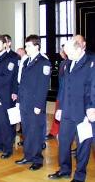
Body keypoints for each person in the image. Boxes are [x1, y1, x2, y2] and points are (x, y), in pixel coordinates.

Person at [48, 37, 93, 182]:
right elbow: (63, 87)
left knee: (83, 146)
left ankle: (80, 176)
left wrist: (91, 107)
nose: (67, 56)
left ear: (79, 49)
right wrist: (60, 107)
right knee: (64, 142)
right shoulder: (67, 63)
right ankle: (65, 170)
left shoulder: (91, 63)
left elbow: (92, 88)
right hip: (67, 110)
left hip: (83, 112)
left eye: (70, 53)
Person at [15, 35, 51, 171]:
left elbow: (43, 86)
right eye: (26, 45)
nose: (26, 48)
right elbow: (22, 84)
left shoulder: (43, 62)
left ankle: (37, 159)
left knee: (35, 132)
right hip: (24, 102)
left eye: (28, 46)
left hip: (35, 104)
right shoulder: (26, 62)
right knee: (27, 131)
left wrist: (39, 105)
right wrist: (19, 101)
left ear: (37, 46)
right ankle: (28, 155)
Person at [46, 45, 67, 140]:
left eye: (62, 50)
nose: (60, 52)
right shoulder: (62, 63)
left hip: (69, 95)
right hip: (61, 93)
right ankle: (54, 132)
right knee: (57, 113)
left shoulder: (73, 63)